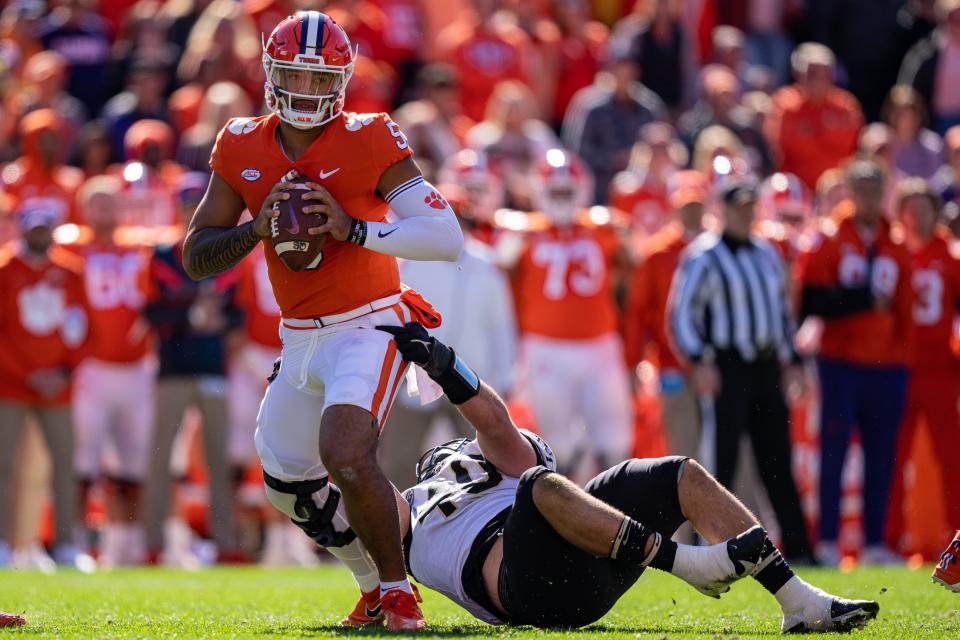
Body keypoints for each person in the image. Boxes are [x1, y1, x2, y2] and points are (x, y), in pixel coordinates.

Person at [180, 11, 463, 631]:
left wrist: (355, 227)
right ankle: (370, 586)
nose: (307, 94)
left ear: (341, 81)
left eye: (319, 81)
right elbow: (196, 256)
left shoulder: (369, 135)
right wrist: (252, 230)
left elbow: (445, 236)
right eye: (294, 78)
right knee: (285, 480)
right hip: (299, 335)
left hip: (371, 325)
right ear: (270, 76)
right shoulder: (241, 140)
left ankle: (399, 591)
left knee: (345, 453)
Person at [326, 321, 879, 632]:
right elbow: (360, 490)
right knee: (537, 487)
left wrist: (446, 366)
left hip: (591, 557)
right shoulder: (408, 511)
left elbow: (494, 422)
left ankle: (797, 600)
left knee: (676, 473)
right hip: (531, 594)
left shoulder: (507, 467)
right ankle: (685, 563)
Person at [667, 180, 813, 562]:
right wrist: (699, 360)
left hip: (765, 366)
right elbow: (682, 315)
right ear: (722, 209)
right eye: (738, 207)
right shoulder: (703, 255)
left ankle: (798, 547)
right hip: (727, 366)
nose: (746, 214)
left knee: (777, 459)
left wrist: (792, 360)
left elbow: (781, 314)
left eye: (751, 207)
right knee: (720, 461)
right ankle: (705, 548)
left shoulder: (766, 252)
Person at [796, 161, 913, 566]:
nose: (867, 198)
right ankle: (827, 540)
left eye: (874, 189)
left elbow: (906, 307)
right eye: (860, 189)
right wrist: (862, 299)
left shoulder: (897, 240)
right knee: (835, 450)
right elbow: (811, 299)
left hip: (887, 365)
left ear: (884, 193)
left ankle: (875, 543)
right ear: (848, 191)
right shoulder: (829, 236)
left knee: (883, 455)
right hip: (841, 361)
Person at [499, 149, 633, 480]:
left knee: (615, 440)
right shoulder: (525, 232)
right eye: (555, 191)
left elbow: (633, 266)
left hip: (600, 346)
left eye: (566, 191)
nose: (560, 198)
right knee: (558, 447)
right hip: (545, 349)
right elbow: (500, 266)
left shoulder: (603, 228)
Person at [142, 171, 242, 566]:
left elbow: (239, 313)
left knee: (219, 459)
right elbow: (150, 310)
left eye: (196, 204)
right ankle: (153, 542)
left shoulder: (225, 252)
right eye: (186, 205)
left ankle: (226, 542)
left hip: (214, 365)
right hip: (174, 366)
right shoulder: (163, 254)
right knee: (161, 455)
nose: (190, 211)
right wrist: (190, 314)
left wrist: (220, 321)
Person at [0, 204, 94, 572]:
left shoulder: (70, 272)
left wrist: (65, 372)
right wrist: (27, 374)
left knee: (65, 466)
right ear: (22, 229)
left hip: (58, 385)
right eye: (33, 228)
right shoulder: (6, 270)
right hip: (11, 385)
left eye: (45, 228)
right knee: (4, 466)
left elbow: (86, 328)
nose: (39, 234)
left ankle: (67, 544)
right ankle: (5, 543)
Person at [69, 175, 154, 567]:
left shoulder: (142, 245)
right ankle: (76, 541)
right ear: (84, 209)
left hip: (137, 367)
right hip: (92, 367)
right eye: (96, 203)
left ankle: (126, 541)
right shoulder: (70, 247)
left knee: (133, 461)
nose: (104, 211)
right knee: (83, 460)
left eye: (110, 202)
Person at [885, 179, 960, 553]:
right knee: (893, 457)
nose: (916, 216)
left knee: (951, 457)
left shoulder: (950, 253)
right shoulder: (893, 251)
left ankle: (955, 539)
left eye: (923, 207)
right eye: (909, 208)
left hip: (940, 369)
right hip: (899, 369)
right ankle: (890, 540)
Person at [624, 170, 708, 461]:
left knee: (727, 454)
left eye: (698, 205)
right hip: (673, 366)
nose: (693, 213)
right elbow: (639, 312)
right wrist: (634, 360)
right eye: (687, 206)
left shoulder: (719, 248)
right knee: (683, 450)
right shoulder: (658, 253)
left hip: (719, 366)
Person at [562, 49, 665, 203]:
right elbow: (577, 153)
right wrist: (613, 159)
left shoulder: (649, 108)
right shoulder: (591, 107)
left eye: (629, 72)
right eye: (620, 71)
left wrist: (641, 157)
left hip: (641, 197)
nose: (624, 77)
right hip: (597, 194)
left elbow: (664, 149)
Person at [764, 43, 863, 189]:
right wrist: (826, 135)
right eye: (812, 73)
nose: (819, 79)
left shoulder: (846, 105)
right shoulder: (784, 103)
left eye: (825, 72)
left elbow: (851, 146)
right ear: (798, 74)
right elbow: (782, 148)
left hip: (837, 190)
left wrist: (811, 133)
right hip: (793, 189)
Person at [898, 0, 960, 134]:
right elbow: (908, 92)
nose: (957, 23)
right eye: (953, 17)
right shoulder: (928, 52)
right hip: (939, 120)